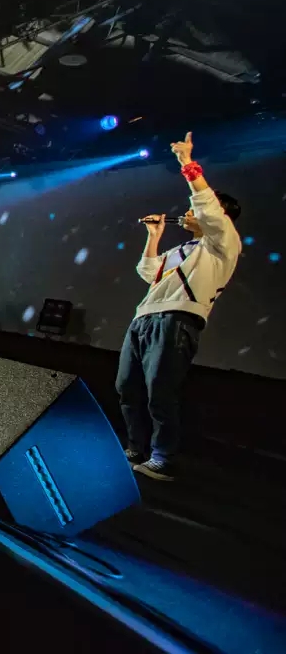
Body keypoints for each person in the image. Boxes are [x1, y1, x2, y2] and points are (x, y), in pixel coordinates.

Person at [117, 132, 240, 482]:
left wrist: (187, 162)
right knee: (127, 387)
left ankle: (163, 457)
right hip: (144, 319)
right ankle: (135, 448)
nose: (187, 212)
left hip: (176, 320)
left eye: (194, 210)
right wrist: (154, 237)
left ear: (220, 216)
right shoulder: (182, 250)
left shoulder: (223, 243)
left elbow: (207, 206)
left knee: (160, 392)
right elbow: (148, 273)